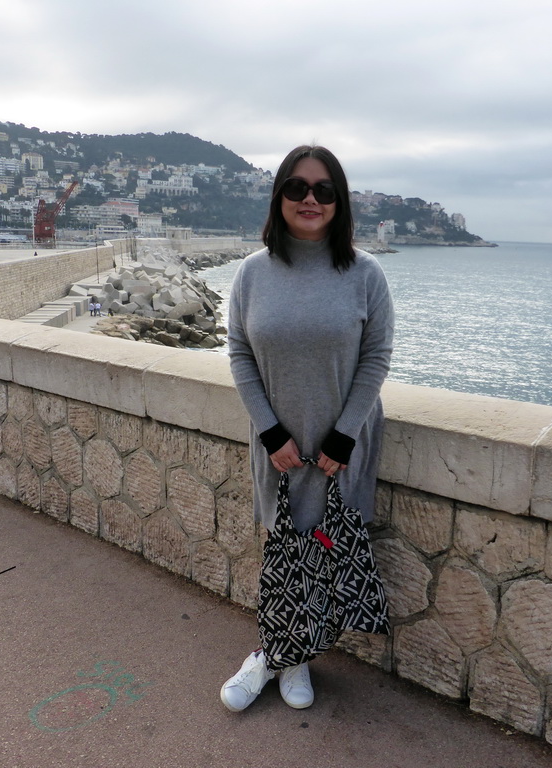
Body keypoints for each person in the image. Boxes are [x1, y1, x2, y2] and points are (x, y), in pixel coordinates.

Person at [220, 145, 395, 712]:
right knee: (283, 551)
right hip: (279, 445)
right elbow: (239, 353)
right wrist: (271, 434)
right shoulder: (252, 272)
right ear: (280, 198)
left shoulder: (366, 274)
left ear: (339, 201)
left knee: (322, 551)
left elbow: (376, 358)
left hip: (340, 446)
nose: (311, 199)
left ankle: (287, 658)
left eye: (324, 189)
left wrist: (344, 436)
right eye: (297, 188)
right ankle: (280, 657)